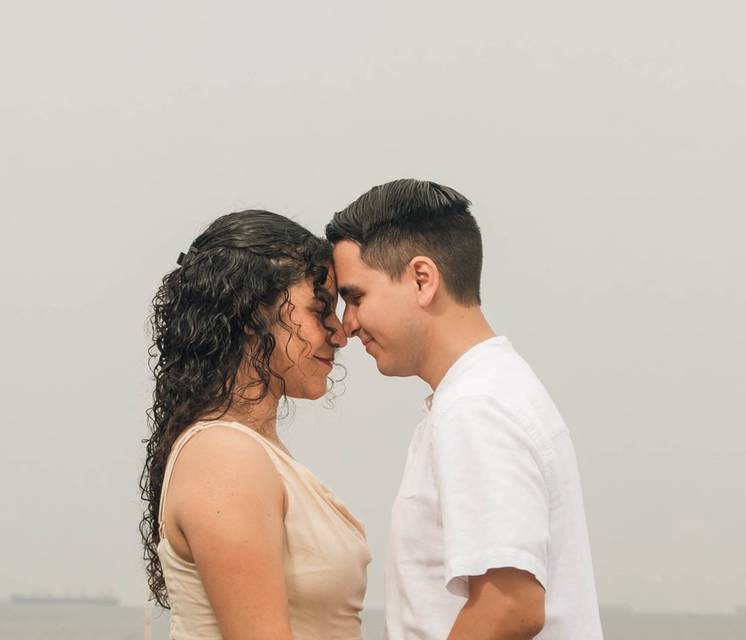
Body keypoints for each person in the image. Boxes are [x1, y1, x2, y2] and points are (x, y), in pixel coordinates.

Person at [326, 179, 603, 640]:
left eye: (356, 298)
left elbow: (510, 605)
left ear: (422, 278)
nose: (348, 324)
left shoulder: (477, 407)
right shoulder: (488, 392)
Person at [140, 210, 371, 639]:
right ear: (250, 313)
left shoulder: (248, 451)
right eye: (321, 307)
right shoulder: (224, 456)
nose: (340, 333)